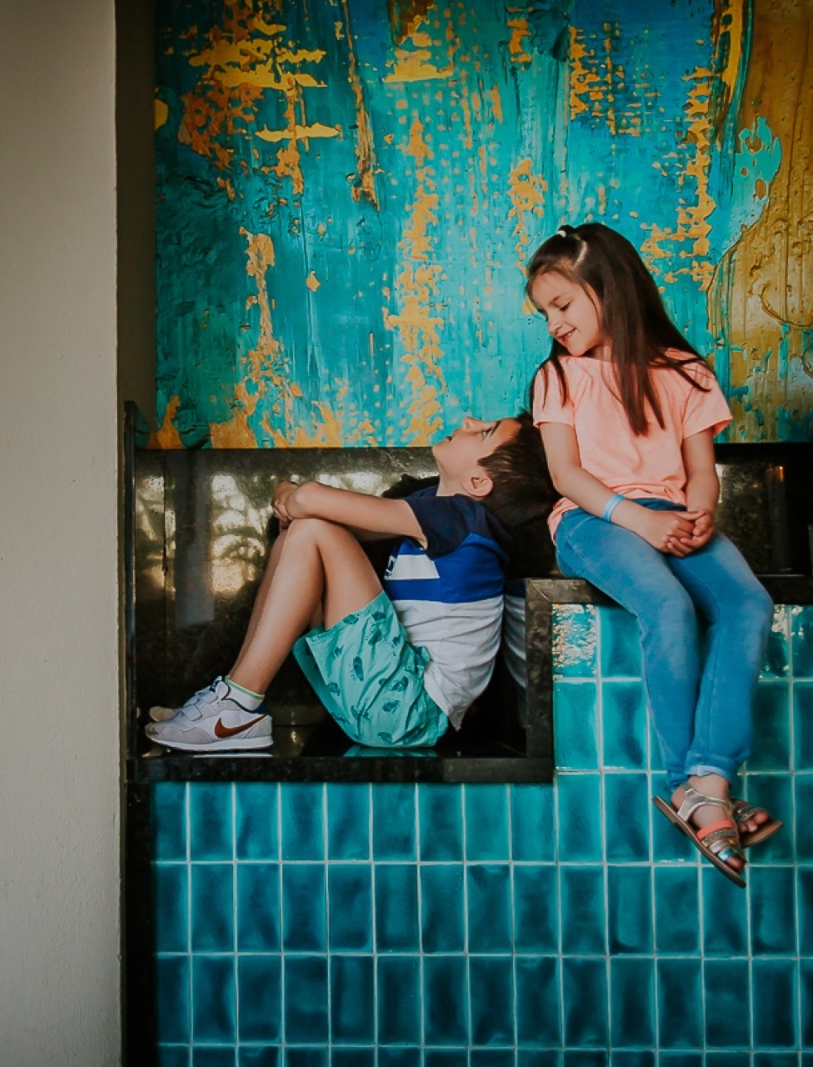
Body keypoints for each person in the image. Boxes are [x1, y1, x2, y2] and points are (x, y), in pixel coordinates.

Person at [526, 221, 779, 887]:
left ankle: (709, 779)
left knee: (747, 602)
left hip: (672, 517)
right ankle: (687, 784)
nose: (552, 323)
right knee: (666, 603)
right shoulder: (557, 375)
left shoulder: (684, 371)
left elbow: (702, 470)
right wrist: (639, 520)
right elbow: (566, 475)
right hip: (593, 519)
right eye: (544, 312)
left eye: (562, 305)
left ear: (608, 289)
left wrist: (699, 515)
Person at [147, 412, 553, 755]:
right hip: (390, 704)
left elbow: (309, 503)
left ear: (479, 484)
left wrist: (292, 495)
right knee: (302, 536)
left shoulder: (463, 519)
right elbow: (331, 520)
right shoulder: (435, 508)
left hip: (411, 709)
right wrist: (300, 507)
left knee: (310, 531)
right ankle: (230, 702)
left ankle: (237, 705)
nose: (468, 420)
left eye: (483, 432)